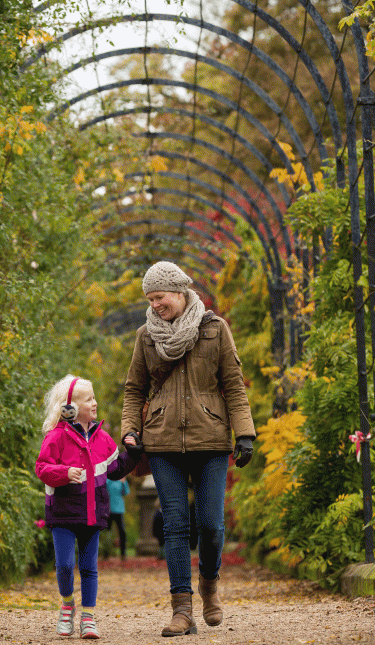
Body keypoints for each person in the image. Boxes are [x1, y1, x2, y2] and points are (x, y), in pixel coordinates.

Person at [121, 261, 256, 637]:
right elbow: (134, 389)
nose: (155, 305)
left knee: (211, 527)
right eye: (150, 299)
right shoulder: (146, 336)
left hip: (211, 439)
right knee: (175, 526)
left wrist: (244, 433)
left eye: (159, 297)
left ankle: (209, 584)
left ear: (178, 292)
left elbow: (233, 384)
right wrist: (130, 431)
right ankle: (182, 609)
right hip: (163, 442)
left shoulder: (214, 330)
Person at [36, 375, 139, 639]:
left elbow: (115, 470)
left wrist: (135, 453)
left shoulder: (103, 439)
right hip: (62, 514)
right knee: (65, 565)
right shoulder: (56, 437)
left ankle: (89, 618)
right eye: (88, 399)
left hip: (94, 514)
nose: (94, 403)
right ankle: (67, 604)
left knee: (90, 568)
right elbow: (42, 468)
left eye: (94, 397)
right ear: (69, 407)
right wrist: (64, 472)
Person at [105, 477, 130, 559]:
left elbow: (126, 492)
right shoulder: (108, 480)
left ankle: (123, 553)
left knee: (122, 532)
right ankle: (106, 552)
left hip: (119, 510)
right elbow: (103, 492)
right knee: (107, 531)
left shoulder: (122, 481)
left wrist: (123, 483)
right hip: (109, 510)